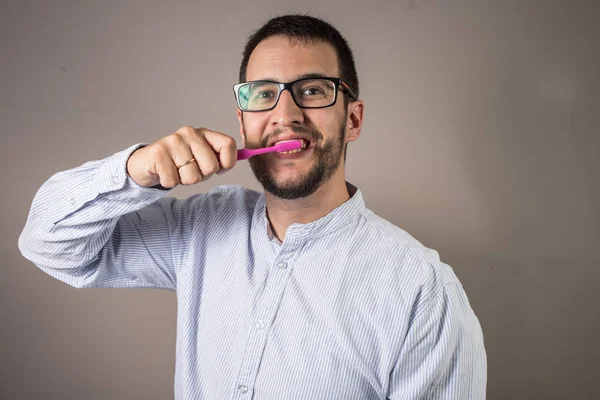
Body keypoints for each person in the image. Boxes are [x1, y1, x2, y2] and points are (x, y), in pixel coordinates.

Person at [19, 14, 486, 399]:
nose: (285, 116)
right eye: (264, 94)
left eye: (314, 90)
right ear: (244, 124)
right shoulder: (200, 228)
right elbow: (49, 243)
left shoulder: (423, 292)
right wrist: (135, 169)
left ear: (353, 119)